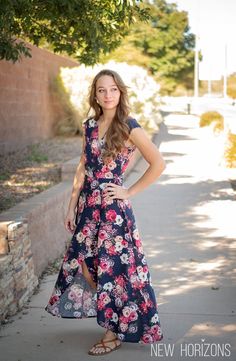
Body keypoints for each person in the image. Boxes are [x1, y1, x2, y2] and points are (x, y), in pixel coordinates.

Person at [44, 69, 166, 356]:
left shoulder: (129, 126)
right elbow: (82, 168)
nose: (108, 94)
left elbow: (158, 163)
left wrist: (127, 191)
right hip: (88, 206)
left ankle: (112, 333)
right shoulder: (89, 126)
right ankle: (116, 318)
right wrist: (72, 204)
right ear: (95, 95)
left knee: (114, 269)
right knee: (85, 264)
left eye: (112, 89)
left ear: (120, 92)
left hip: (114, 211)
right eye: (102, 90)